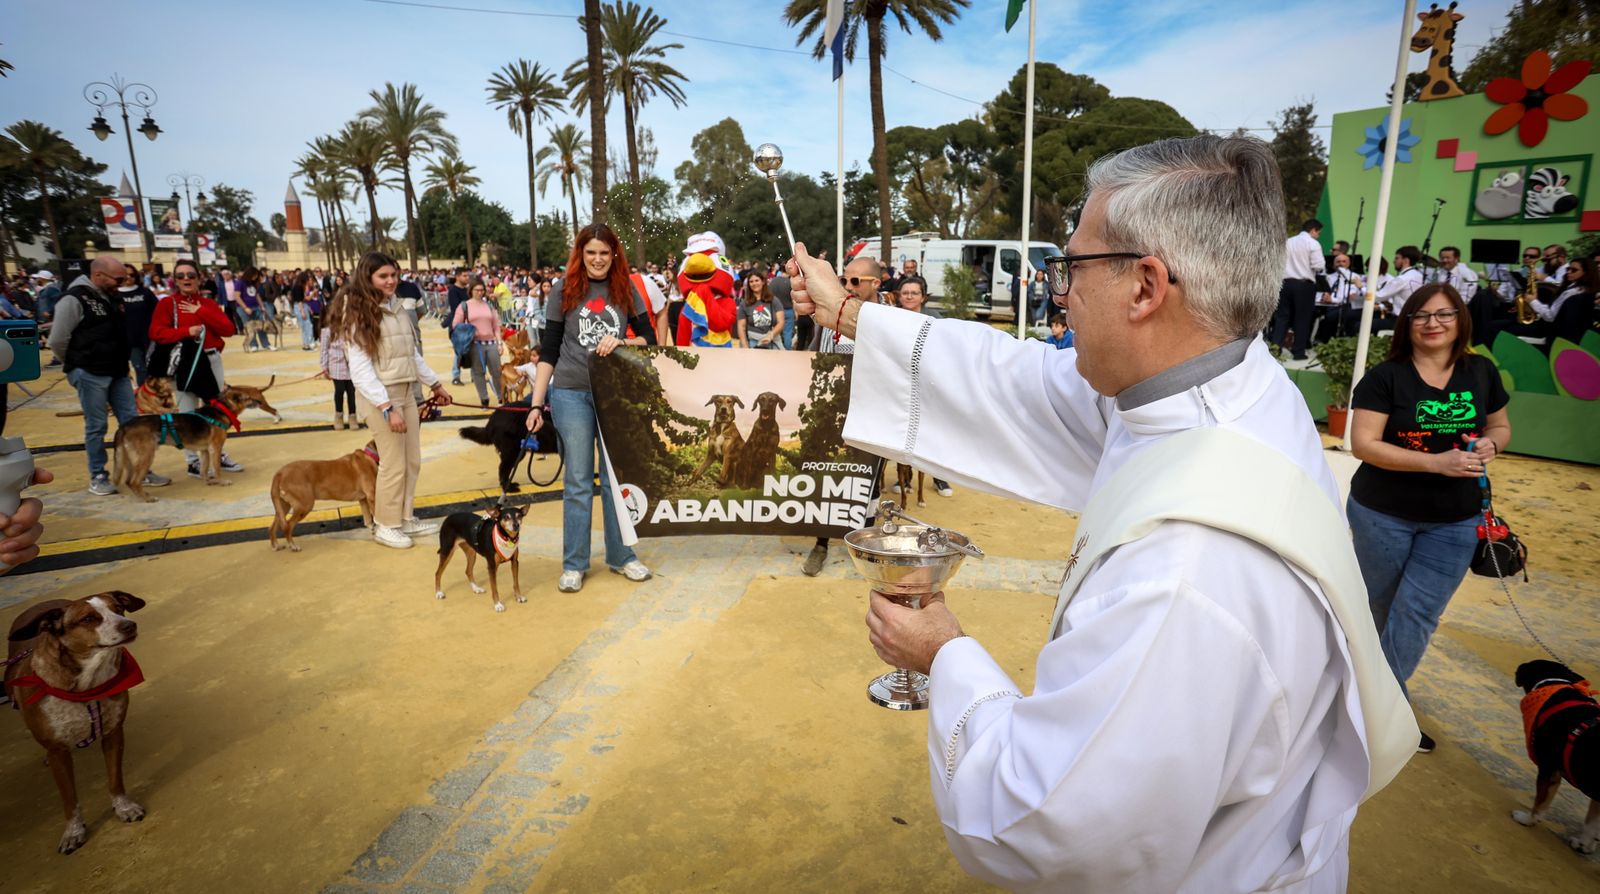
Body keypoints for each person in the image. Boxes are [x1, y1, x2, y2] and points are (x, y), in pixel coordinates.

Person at [788, 135, 1416, 891]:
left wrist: (945, 655)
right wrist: (852, 314)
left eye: (1073, 267)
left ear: (1146, 287)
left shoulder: (1187, 573)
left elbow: (1047, 824)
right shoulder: (1224, 382)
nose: (1061, 291)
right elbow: (1016, 380)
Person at [1348, 282, 1511, 753]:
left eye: (1444, 314)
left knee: (1416, 616)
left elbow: (1500, 425)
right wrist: (1437, 463)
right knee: (1375, 609)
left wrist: (1491, 444)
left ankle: (1383, 713)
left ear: (1460, 320)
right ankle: (1352, 700)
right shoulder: (1386, 377)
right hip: (1383, 513)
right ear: (1407, 324)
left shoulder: (1480, 371)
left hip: (1457, 520)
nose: (1433, 323)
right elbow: (1365, 444)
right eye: (1421, 315)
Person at [524, 223, 655, 593]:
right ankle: (574, 563)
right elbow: (548, 350)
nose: (598, 259)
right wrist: (537, 404)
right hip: (570, 393)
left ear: (614, 255)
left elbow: (651, 338)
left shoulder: (626, 289)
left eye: (604, 252)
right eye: (591, 252)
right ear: (580, 254)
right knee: (578, 480)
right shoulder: (563, 290)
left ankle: (623, 556)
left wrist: (625, 339)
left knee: (616, 482)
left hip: (614, 395)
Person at [323, 252, 453, 549]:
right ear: (367, 278)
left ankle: (405, 517)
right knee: (392, 464)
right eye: (383, 276)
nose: (391, 280)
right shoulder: (356, 312)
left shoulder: (395, 307)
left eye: (393, 274)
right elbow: (360, 368)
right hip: (381, 396)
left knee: (412, 460)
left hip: (406, 391)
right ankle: (386, 524)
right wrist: (386, 407)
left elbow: (411, 353)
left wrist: (434, 383)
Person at [47, 255, 171, 495]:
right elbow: (57, 340)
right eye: (118, 278)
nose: (121, 283)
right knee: (97, 426)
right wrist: (77, 366)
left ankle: (140, 471)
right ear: (98, 275)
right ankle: (98, 474)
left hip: (117, 371)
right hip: (90, 372)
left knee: (133, 422)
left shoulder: (110, 296)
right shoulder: (73, 299)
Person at [801, 256, 888, 577]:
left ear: (875, 283)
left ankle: (864, 544)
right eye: (843, 280)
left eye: (854, 282)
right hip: (831, 410)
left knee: (869, 481)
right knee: (828, 475)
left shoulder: (889, 320)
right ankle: (821, 543)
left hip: (873, 413)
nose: (846, 287)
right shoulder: (828, 315)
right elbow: (815, 351)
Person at [150, 258, 246, 478]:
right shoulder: (167, 304)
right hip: (185, 362)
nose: (186, 279)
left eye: (191, 275)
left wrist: (201, 311)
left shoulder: (208, 304)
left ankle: (217, 452)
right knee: (187, 410)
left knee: (217, 408)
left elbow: (228, 329)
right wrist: (186, 332)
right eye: (181, 276)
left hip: (210, 360)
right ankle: (193, 460)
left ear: (199, 278)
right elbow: (156, 333)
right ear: (174, 280)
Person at [1270, 218, 1325, 359]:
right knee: (1302, 319)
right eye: (1318, 233)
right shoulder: (1313, 243)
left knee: (1282, 318)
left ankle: (1275, 349)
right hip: (1304, 285)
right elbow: (1318, 266)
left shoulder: (1288, 242)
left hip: (1285, 283)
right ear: (1313, 230)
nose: (1318, 235)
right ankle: (1298, 351)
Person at [453, 277, 504, 406]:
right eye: (477, 290)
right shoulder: (464, 306)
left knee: (497, 372)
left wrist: (499, 343)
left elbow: (496, 326)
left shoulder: (489, 304)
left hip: (491, 342)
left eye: (482, 290)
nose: (480, 293)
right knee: (478, 372)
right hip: (475, 344)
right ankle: (484, 398)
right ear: (471, 290)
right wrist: (468, 331)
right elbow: (456, 325)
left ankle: (501, 397)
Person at [118, 263, 157, 385]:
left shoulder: (145, 292)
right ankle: (143, 397)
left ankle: (154, 396)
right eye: (125, 275)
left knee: (153, 369)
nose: (129, 277)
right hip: (130, 340)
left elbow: (157, 312)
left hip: (149, 338)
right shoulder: (114, 295)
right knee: (140, 369)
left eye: (132, 274)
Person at [1372, 246, 1425, 332]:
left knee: (1361, 325)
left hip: (1399, 320)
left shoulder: (1402, 278)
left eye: (1397, 258)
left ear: (1406, 260)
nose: (1394, 261)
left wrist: (1360, 287)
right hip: (1412, 318)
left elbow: (1378, 296)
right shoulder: (1419, 275)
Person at [737, 271, 786, 349]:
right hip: (753, 341)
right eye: (751, 281)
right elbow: (741, 326)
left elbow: (781, 322)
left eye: (757, 280)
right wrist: (745, 346)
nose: (754, 283)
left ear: (763, 282)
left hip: (773, 340)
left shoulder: (774, 300)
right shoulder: (744, 303)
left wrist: (770, 336)